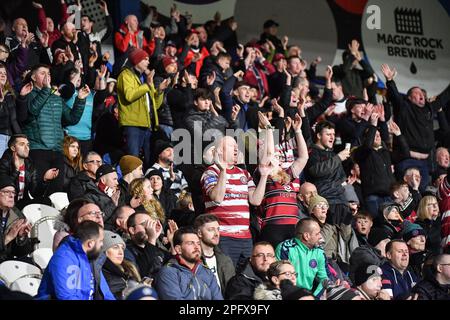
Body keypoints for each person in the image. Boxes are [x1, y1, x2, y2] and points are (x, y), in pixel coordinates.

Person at [381, 64, 450, 191]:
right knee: (407, 193)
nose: (421, 94)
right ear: (409, 97)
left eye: (421, 92)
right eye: (416, 92)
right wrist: (390, 80)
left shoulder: (428, 109)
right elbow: (395, 96)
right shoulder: (404, 107)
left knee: (422, 194)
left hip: (425, 163)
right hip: (407, 160)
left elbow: (444, 98)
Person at [201, 135, 268, 265]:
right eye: (232, 146)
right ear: (219, 151)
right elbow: (217, 198)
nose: (237, 148)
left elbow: (255, 200)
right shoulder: (210, 172)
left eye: (237, 146)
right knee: (228, 277)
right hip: (223, 237)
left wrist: (264, 175)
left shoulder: (244, 173)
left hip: (245, 238)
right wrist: (223, 170)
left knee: (245, 278)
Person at [22, 63, 89, 195]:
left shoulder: (56, 98)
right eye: (42, 73)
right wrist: (47, 89)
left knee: (56, 189)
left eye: (49, 74)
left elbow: (71, 119)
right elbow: (33, 110)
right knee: (37, 187)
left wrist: (80, 100)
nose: (47, 77)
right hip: (37, 149)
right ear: (33, 77)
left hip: (57, 150)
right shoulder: (28, 94)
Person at [37, 220, 115, 300]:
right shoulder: (64, 258)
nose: (102, 244)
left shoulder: (92, 259)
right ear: (90, 243)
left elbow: (106, 293)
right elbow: (66, 297)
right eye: (101, 241)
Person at [116, 48, 166, 168]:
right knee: (133, 159)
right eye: (145, 59)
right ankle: (131, 184)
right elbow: (129, 96)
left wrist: (159, 91)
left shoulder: (145, 77)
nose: (148, 62)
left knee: (150, 159)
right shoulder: (125, 75)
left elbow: (156, 104)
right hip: (133, 124)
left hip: (147, 124)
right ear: (136, 60)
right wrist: (147, 85)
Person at [353, 120, 407, 218]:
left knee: (392, 223)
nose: (378, 136)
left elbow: (405, 154)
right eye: (374, 134)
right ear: (367, 138)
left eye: (379, 134)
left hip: (389, 196)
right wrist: (373, 125)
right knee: (377, 223)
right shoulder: (361, 152)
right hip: (373, 197)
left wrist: (399, 135)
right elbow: (367, 146)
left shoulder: (385, 152)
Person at [155, 226, 223, 300]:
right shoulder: (168, 272)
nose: (196, 247)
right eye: (191, 243)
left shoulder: (207, 272)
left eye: (198, 243)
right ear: (179, 249)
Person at [305, 121, 351, 225]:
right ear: (318, 135)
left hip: (341, 201)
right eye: (328, 134)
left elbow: (342, 180)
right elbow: (316, 171)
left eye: (333, 134)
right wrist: (338, 158)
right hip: (327, 201)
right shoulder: (313, 152)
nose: (332, 137)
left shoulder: (332, 154)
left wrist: (350, 201)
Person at [0, 134, 55, 209]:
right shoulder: (4, 163)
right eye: (22, 144)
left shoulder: (30, 165)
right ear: (13, 148)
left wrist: (44, 179)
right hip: (6, 202)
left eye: (28, 145)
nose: (27, 148)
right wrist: (16, 170)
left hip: (21, 203)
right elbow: (6, 189)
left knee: (46, 201)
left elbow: (35, 193)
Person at [276, 218, 328, 297]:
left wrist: (314, 297)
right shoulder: (285, 249)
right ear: (306, 236)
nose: (320, 236)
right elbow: (280, 278)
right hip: (287, 295)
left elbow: (323, 279)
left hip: (309, 295)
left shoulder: (319, 252)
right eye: (317, 234)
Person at [194, 214, 235, 295]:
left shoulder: (225, 259)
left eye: (218, 229)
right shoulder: (192, 260)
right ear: (199, 233)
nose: (217, 234)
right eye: (211, 230)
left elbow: (233, 290)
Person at [124, 212, 172, 280]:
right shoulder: (126, 251)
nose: (149, 228)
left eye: (151, 224)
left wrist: (173, 242)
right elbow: (142, 274)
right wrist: (151, 239)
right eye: (145, 224)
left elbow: (175, 263)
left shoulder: (156, 248)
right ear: (132, 230)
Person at [0, 175, 33, 263]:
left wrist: (21, 237)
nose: (11, 195)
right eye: (6, 192)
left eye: (13, 192)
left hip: (7, 261)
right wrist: (8, 237)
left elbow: (21, 253)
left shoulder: (17, 215)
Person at [101, 230, 141, 299]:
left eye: (122, 248)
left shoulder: (129, 269)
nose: (121, 252)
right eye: (115, 247)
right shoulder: (101, 274)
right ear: (104, 251)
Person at [84, 164, 122, 230]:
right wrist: (112, 204)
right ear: (103, 181)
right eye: (114, 179)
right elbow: (94, 221)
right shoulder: (89, 197)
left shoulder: (115, 193)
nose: (117, 183)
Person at [0, 63, 21, 157]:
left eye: (4, 73)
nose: (3, 75)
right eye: (0, 73)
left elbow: (17, 118)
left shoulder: (10, 94)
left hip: (11, 138)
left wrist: (20, 136)